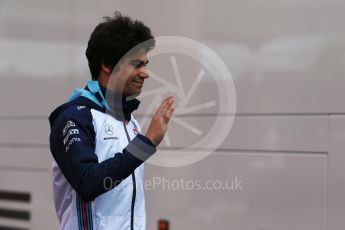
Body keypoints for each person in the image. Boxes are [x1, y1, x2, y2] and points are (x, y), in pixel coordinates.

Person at [49, 12, 174, 230]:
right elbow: (88, 182)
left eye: (146, 64)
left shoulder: (130, 120)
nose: (146, 73)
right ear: (107, 64)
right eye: (137, 64)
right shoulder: (74, 117)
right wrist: (146, 143)